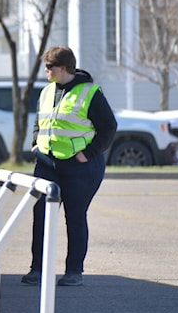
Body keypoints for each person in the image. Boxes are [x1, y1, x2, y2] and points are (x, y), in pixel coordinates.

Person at [21, 46, 117, 287]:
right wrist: (35, 144)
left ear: (63, 68)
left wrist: (89, 154)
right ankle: (38, 269)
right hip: (47, 163)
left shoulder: (89, 92)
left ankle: (74, 271)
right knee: (41, 214)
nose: (46, 70)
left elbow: (109, 127)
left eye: (49, 66)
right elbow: (39, 120)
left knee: (74, 217)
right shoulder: (46, 91)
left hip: (80, 167)